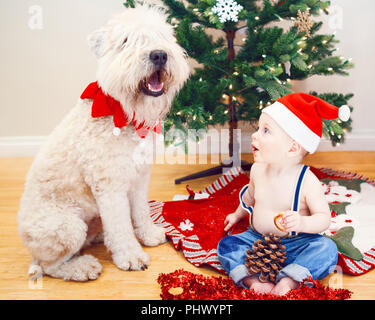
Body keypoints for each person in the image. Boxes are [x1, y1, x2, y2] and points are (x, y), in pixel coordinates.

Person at [217, 92, 351, 296]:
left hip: (297, 243)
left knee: (326, 249)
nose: (255, 135)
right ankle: (253, 279)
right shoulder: (257, 170)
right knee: (228, 245)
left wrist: (302, 223)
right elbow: (249, 198)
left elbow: (323, 219)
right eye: (258, 129)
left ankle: (289, 281)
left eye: (266, 131)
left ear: (292, 148)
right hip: (258, 241)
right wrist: (237, 215)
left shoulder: (307, 181)